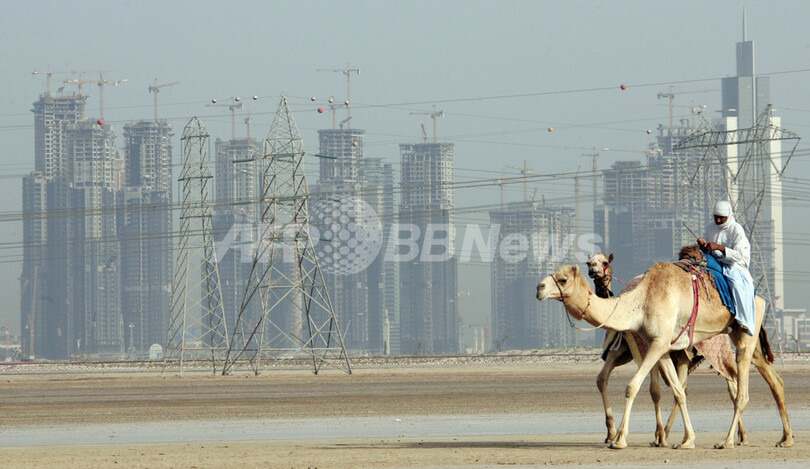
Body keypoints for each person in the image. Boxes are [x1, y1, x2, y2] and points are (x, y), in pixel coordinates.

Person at [696, 200, 755, 336]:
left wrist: (718, 247)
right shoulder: (711, 227)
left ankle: (743, 320)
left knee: (735, 283)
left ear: (729, 215)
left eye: (721, 217)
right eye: (716, 216)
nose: (718, 219)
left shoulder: (736, 229)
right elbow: (708, 245)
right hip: (714, 260)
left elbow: (738, 255)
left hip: (734, 264)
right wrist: (704, 244)